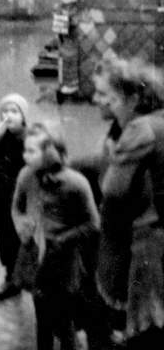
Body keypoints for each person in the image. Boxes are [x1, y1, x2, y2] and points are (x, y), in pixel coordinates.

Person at [88, 56, 164, 349]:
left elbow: (112, 190)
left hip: (142, 251)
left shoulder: (138, 130)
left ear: (132, 99)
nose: (95, 100)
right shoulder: (154, 122)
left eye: (104, 94)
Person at [12, 122, 100, 350]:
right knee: (41, 316)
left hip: (64, 260)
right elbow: (16, 207)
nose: (25, 156)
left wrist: (64, 239)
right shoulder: (26, 176)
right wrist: (21, 225)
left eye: (31, 151)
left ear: (50, 153)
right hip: (36, 254)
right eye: (24, 150)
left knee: (63, 318)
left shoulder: (75, 183)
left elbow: (93, 224)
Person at [0, 93, 29, 301]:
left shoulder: (29, 140)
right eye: (4, 111)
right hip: (2, 201)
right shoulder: (1, 140)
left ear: (24, 116)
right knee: (5, 241)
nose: (8, 116)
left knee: (19, 241)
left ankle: (17, 280)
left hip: (19, 201)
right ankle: (10, 276)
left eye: (14, 111)